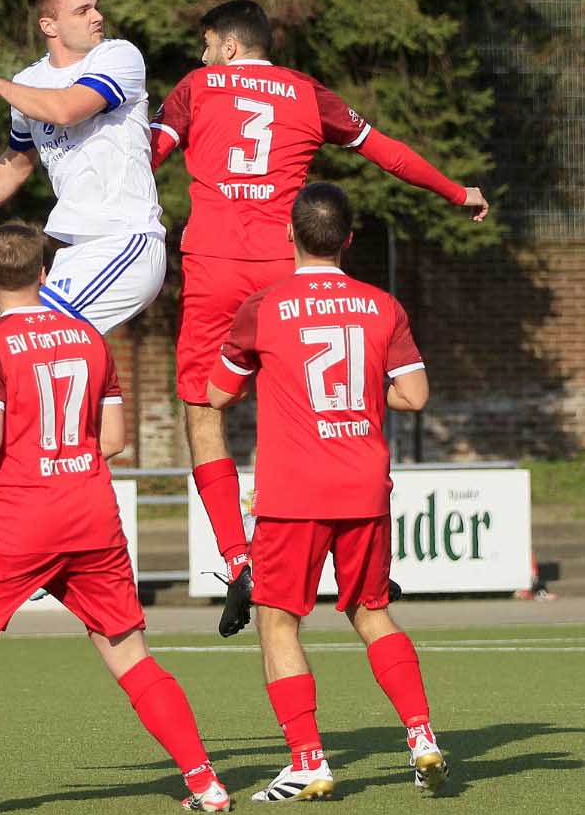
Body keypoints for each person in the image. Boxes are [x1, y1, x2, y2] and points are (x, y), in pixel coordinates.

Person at [151, 0, 489, 637]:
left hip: (215, 264)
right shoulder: (309, 94)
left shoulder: (196, 87)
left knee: (203, 408)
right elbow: (384, 150)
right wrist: (453, 189)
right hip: (286, 269)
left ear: (226, 45)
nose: (200, 54)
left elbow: (147, 157)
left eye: (204, 42)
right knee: (322, 394)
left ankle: (237, 555)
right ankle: (365, 551)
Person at [0, 225, 229, 813]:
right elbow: (115, 440)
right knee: (131, 657)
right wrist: (64, 457)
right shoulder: (88, 338)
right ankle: (204, 781)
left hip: (19, 516)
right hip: (90, 515)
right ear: (44, 275)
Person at [207, 183, 448, 800]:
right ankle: (421, 736)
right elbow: (414, 396)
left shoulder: (262, 306)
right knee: (372, 612)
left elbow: (217, 393)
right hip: (364, 485)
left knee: (278, 622)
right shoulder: (381, 305)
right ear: (347, 238)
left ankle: (309, 760)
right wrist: (364, 400)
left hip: (294, 492)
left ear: (290, 235)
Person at [0, 0, 166, 334]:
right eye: (82, 11)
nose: (97, 17)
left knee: (32, 336)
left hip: (126, 241)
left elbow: (65, 109)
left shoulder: (119, 56)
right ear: (49, 25)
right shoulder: (28, 83)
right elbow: (16, 163)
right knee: (38, 347)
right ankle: (103, 393)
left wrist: (0, 87)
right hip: (75, 252)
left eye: (96, 7)